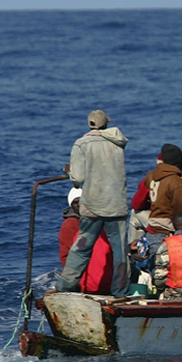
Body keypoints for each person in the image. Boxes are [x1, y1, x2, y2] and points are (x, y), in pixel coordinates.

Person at [57, 110, 131, 297]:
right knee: (120, 252)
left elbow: (79, 177)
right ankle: (121, 290)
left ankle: (66, 284)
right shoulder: (118, 143)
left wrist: (71, 173)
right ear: (106, 124)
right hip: (117, 205)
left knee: (82, 247)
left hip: (93, 206)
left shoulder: (82, 144)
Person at [58, 187, 113, 294]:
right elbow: (67, 256)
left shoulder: (98, 222)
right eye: (75, 202)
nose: (79, 205)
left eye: (82, 200)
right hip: (84, 278)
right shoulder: (71, 225)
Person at [139, 143, 182, 242]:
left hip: (153, 228)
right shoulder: (175, 181)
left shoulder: (152, 177)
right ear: (179, 161)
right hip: (167, 230)